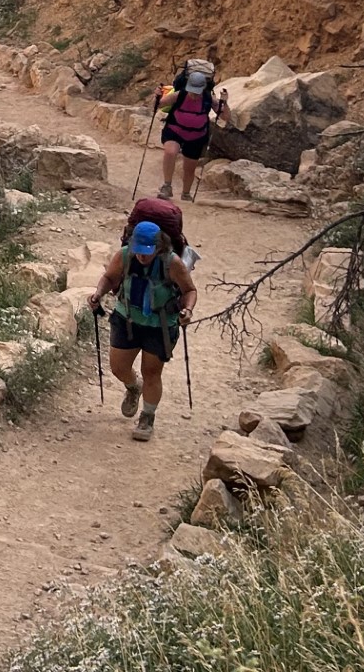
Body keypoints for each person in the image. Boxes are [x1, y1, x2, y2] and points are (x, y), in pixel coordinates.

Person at [88, 219, 197, 441]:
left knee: (152, 371)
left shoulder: (172, 262)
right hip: (127, 318)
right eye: (139, 250)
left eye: (147, 252)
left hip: (160, 325)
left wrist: (188, 310)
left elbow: (189, 290)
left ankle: (147, 417)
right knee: (118, 367)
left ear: (159, 247)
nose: (142, 256)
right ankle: (132, 386)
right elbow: (110, 278)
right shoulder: (124, 255)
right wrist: (98, 294)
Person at [155, 58, 229, 201]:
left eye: (197, 92)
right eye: (192, 91)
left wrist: (224, 102)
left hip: (197, 135)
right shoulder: (179, 94)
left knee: (190, 167)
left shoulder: (208, 98)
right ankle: (167, 186)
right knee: (170, 152)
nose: (194, 95)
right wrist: (157, 96)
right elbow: (158, 105)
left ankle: (186, 193)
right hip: (175, 129)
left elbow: (225, 117)